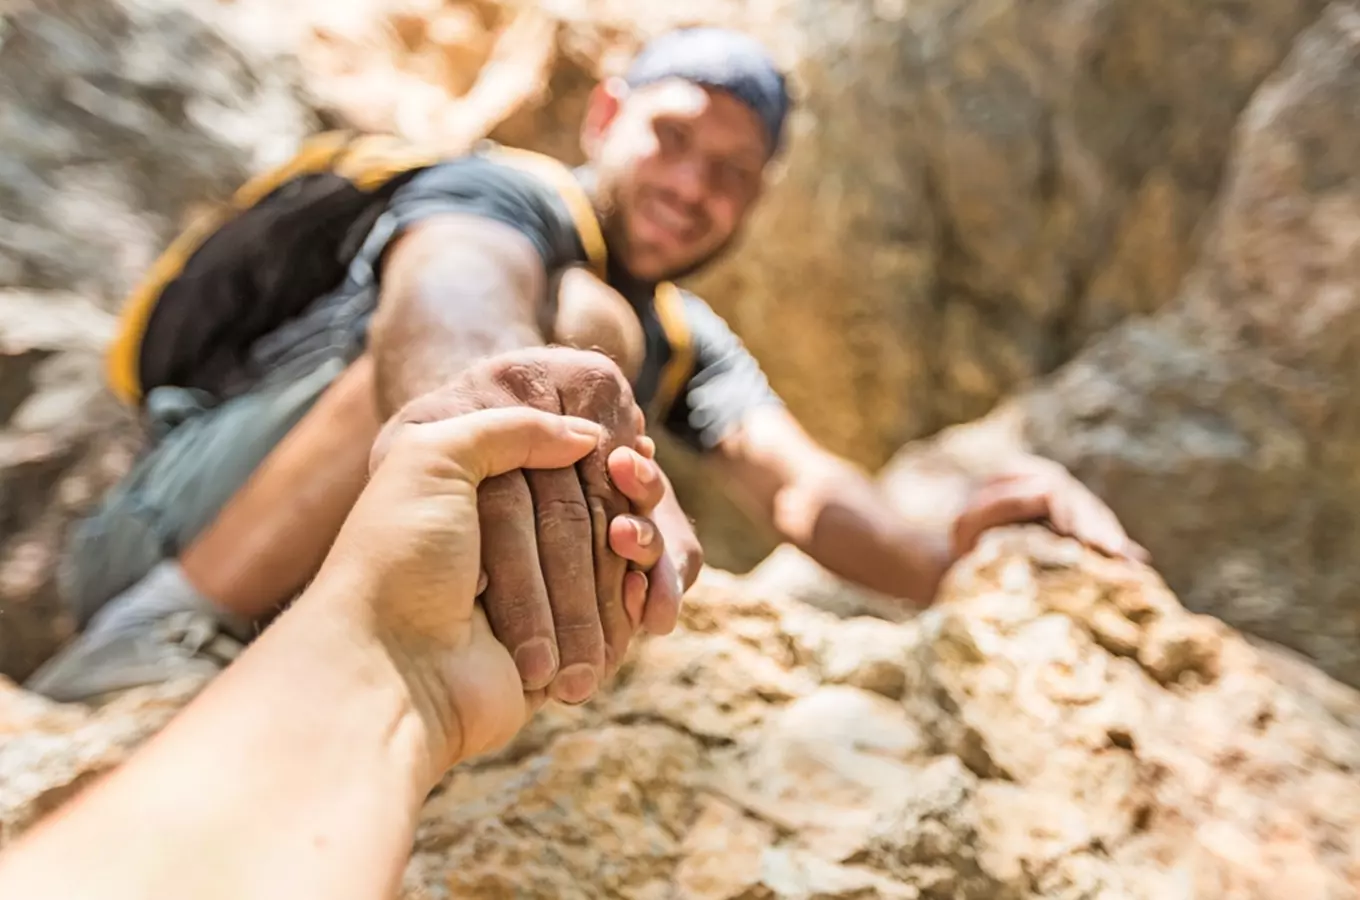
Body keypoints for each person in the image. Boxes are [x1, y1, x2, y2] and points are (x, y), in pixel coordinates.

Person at [25, 27, 1146, 705]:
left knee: (591, 338)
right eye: (674, 138)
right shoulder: (502, 195)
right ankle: (161, 634)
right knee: (570, 335)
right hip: (165, 533)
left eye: (731, 174)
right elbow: (451, 291)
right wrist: (491, 399)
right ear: (607, 114)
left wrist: (959, 550)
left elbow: (800, 487)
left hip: (328, 545)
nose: (693, 187)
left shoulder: (688, 339)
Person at [0, 394, 631, 900]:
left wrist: (410, 670)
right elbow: (455, 279)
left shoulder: (688, 350)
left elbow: (733, 419)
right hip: (163, 615)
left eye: (730, 220)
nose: (697, 222)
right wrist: (466, 415)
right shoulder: (516, 242)